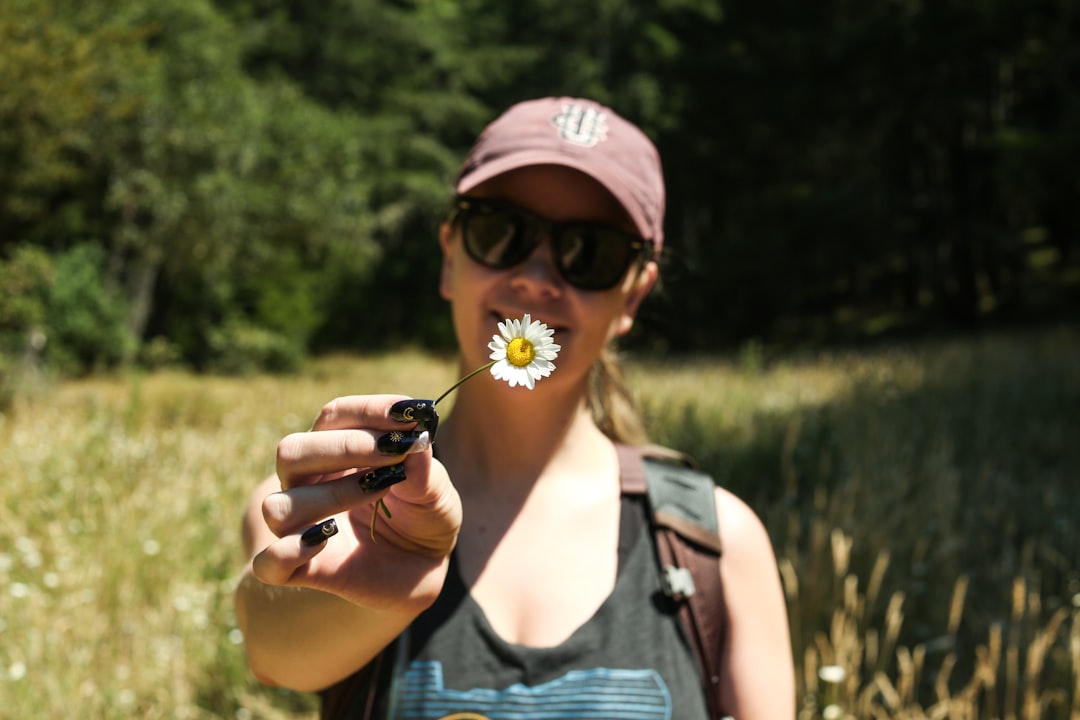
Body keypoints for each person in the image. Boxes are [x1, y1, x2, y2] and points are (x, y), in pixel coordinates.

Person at [235, 96, 795, 719]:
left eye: (592, 251)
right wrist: (368, 593)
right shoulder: (345, 498)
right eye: (500, 230)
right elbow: (274, 653)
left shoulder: (715, 543)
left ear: (635, 294)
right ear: (450, 254)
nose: (535, 275)